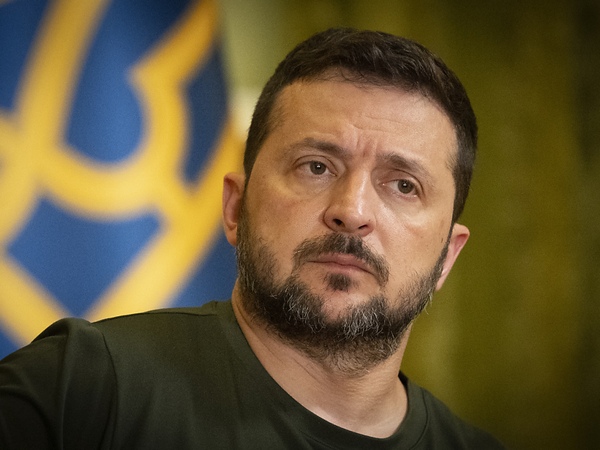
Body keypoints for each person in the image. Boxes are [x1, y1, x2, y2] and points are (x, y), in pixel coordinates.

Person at [0, 28, 504, 449]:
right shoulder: (76, 389)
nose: (351, 212)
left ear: (447, 256)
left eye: (403, 185)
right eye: (316, 166)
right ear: (236, 207)